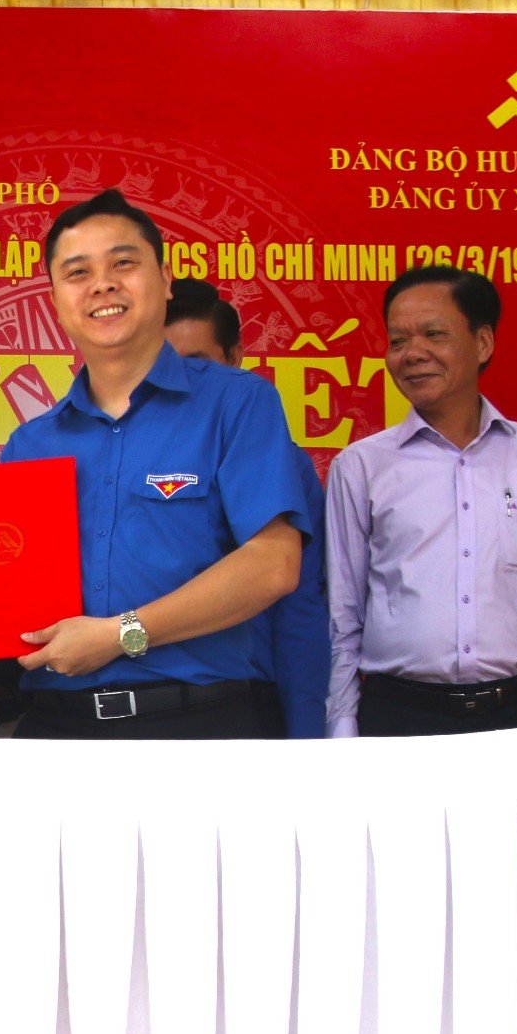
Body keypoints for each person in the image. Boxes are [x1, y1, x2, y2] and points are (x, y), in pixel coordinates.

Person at [0, 190, 306, 740]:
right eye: (77, 272)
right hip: (56, 735)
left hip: (201, 728)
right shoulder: (29, 444)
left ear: (164, 281)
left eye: (123, 263)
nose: (102, 284)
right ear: (57, 301)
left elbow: (273, 565)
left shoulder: (238, 404)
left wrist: (121, 635)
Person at [325, 266, 517, 743]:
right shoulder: (360, 467)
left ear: (482, 343)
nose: (412, 354)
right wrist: (343, 731)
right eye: (398, 341)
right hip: (401, 719)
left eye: (433, 334)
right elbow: (343, 616)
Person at [164, 278, 331, 740]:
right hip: (132, 710)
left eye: (197, 365)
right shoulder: (103, 456)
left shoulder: (282, 463)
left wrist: (305, 737)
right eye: (162, 365)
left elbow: (300, 612)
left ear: (234, 360)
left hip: (242, 708)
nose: (178, 382)